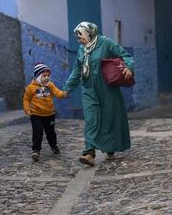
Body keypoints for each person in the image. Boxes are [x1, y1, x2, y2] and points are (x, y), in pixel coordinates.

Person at [63, 21, 134, 166]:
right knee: (90, 119)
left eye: (81, 37)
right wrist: (67, 88)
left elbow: (125, 55)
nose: (79, 40)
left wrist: (129, 67)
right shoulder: (82, 49)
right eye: (77, 38)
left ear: (90, 34)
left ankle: (110, 149)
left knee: (109, 118)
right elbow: (77, 70)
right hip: (89, 89)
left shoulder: (105, 43)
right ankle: (89, 153)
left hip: (107, 88)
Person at [23, 62, 68, 162]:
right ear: (38, 76)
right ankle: (36, 150)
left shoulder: (50, 85)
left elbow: (57, 92)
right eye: (44, 76)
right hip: (36, 115)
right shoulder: (31, 88)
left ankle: (54, 146)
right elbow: (26, 99)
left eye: (48, 76)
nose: (47, 78)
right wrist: (27, 109)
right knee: (37, 133)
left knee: (51, 133)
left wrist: (63, 94)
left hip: (49, 115)